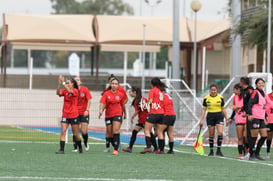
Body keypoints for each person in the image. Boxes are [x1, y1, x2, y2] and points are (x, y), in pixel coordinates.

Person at [99, 78, 126, 155]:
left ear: (118, 85)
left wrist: (125, 113)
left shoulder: (120, 94)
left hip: (117, 114)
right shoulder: (106, 94)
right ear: (110, 85)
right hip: (108, 115)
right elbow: (102, 102)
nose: (114, 85)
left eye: (115, 84)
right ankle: (116, 145)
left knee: (116, 130)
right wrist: (101, 110)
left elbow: (123, 105)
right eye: (112, 83)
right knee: (110, 134)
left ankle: (115, 149)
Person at [56, 75, 83, 154]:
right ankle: (61, 149)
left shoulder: (75, 91)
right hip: (65, 115)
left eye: (68, 83)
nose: (67, 84)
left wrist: (63, 82)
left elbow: (69, 91)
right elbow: (58, 93)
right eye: (66, 83)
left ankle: (80, 147)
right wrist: (60, 84)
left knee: (75, 134)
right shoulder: (65, 91)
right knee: (63, 132)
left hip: (74, 115)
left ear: (72, 84)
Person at [199, 84, 228, 157]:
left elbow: (223, 108)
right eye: (212, 90)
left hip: (219, 116)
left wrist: (227, 118)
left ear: (217, 90)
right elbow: (204, 110)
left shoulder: (220, 98)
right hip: (210, 116)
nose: (213, 91)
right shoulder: (206, 98)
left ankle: (219, 150)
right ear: (210, 90)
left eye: (214, 90)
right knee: (211, 134)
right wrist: (201, 120)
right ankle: (211, 150)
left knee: (220, 133)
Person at [141, 77, 166, 154]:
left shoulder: (152, 91)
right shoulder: (161, 92)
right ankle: (161, 150)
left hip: (154, 112)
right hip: (161, 113)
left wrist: (145, 104)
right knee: (159, 132)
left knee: (147, 130)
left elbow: (151, 101)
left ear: (151, 84)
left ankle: (148, 147)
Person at [122, 86, 149, 153]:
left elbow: (137, 110)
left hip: (143, 119)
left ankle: (152, 147)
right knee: (139, 132)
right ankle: (130, 147)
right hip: (147, 118)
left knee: (147, 133)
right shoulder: (144, 99)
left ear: (134, 92)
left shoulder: (137, 100)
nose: (129, 93)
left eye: (130, 92)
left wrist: (132, 117)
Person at [248, 78, 268, 160]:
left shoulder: (263, 93)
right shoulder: (255, 92)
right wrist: (250, 114)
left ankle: (257, 153)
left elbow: (263, 106)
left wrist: (266, 116)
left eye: (262, 83)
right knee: (254, 137)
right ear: (256, 84)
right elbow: (250, 103)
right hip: (255, 117)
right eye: (259, 83)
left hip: (261, 117)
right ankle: (251, 155)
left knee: (264, 136)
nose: (261, 84)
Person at [72, 76, 92, 152]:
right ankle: (75, 147)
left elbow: (89, 100)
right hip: (75, 113)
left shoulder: (85, 89)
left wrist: (87, 110)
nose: (77, 81)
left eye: (78, 80)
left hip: (84, 113)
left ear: (80, 82)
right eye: (75, 80)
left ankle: (86, 142)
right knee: (75, 130)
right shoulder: (72, 90)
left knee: (83, 131)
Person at [227, 84, 247, 158]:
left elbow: (247, 107)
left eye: (234, 90)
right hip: (238, 119)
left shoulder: (245, 96)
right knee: (240, 137)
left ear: (238, 89)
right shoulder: (235, 97)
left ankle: (246, 152)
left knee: (246, 137)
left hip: (245, 118)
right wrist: (231, 118)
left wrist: (238, 107)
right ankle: (240, 153)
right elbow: (234, 109)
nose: (233, 92)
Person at [239, 77, 254, 160]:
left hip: (252, 115)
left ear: (242, 82)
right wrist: (242, 110)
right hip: (248, 114)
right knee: (246, 135)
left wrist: (248, 112)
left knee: (249, 135)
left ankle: (252, 153)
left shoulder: (250, 91)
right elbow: (246, 104)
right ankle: (248, 153)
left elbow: (251, 103)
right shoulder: (245, 91)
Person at [265, 86, 273, 159]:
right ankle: (268, 151)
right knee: (269, 137)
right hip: (269, 121)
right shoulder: (266, 97)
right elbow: (263, 107)